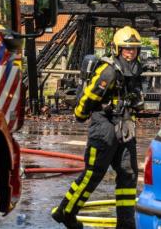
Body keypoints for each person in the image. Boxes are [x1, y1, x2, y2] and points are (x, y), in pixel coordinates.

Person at [52, 26, 144, 229]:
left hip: (125, 128)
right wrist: (80, 115)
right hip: (103, 128)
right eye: (127, 49)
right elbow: (88, 97)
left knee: (128, 175)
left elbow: (134, 98)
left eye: (134, 49)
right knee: (94, 173)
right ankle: (65, 212)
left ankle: (126, 224)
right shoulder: (108, 70)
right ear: (118, 49)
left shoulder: (136, 69)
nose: (131, 52)